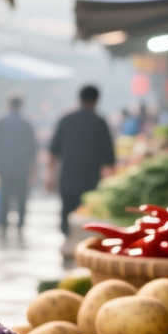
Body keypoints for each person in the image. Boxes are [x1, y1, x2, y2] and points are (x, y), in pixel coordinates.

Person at [49, 85, 115, 236]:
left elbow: (53, 152)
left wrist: (50, 176)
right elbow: (109, 159)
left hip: (68, 178)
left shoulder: (66, 120)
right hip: (90, 180)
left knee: (67, 212)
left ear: (79, 98)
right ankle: (80, 246)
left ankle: (67, 241)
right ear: (97, 100)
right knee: (86, 215)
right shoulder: (99, 122)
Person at [0, 94, 38, 232]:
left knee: (4, 195)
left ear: (8, 105)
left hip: (4, 166)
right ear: (21, 106)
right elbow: (33, 148)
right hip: (22, 166)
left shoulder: (1, 122)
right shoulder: (27, 123)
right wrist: (33, 167)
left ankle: (3, 223)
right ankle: (20, 223)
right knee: (22, 196)